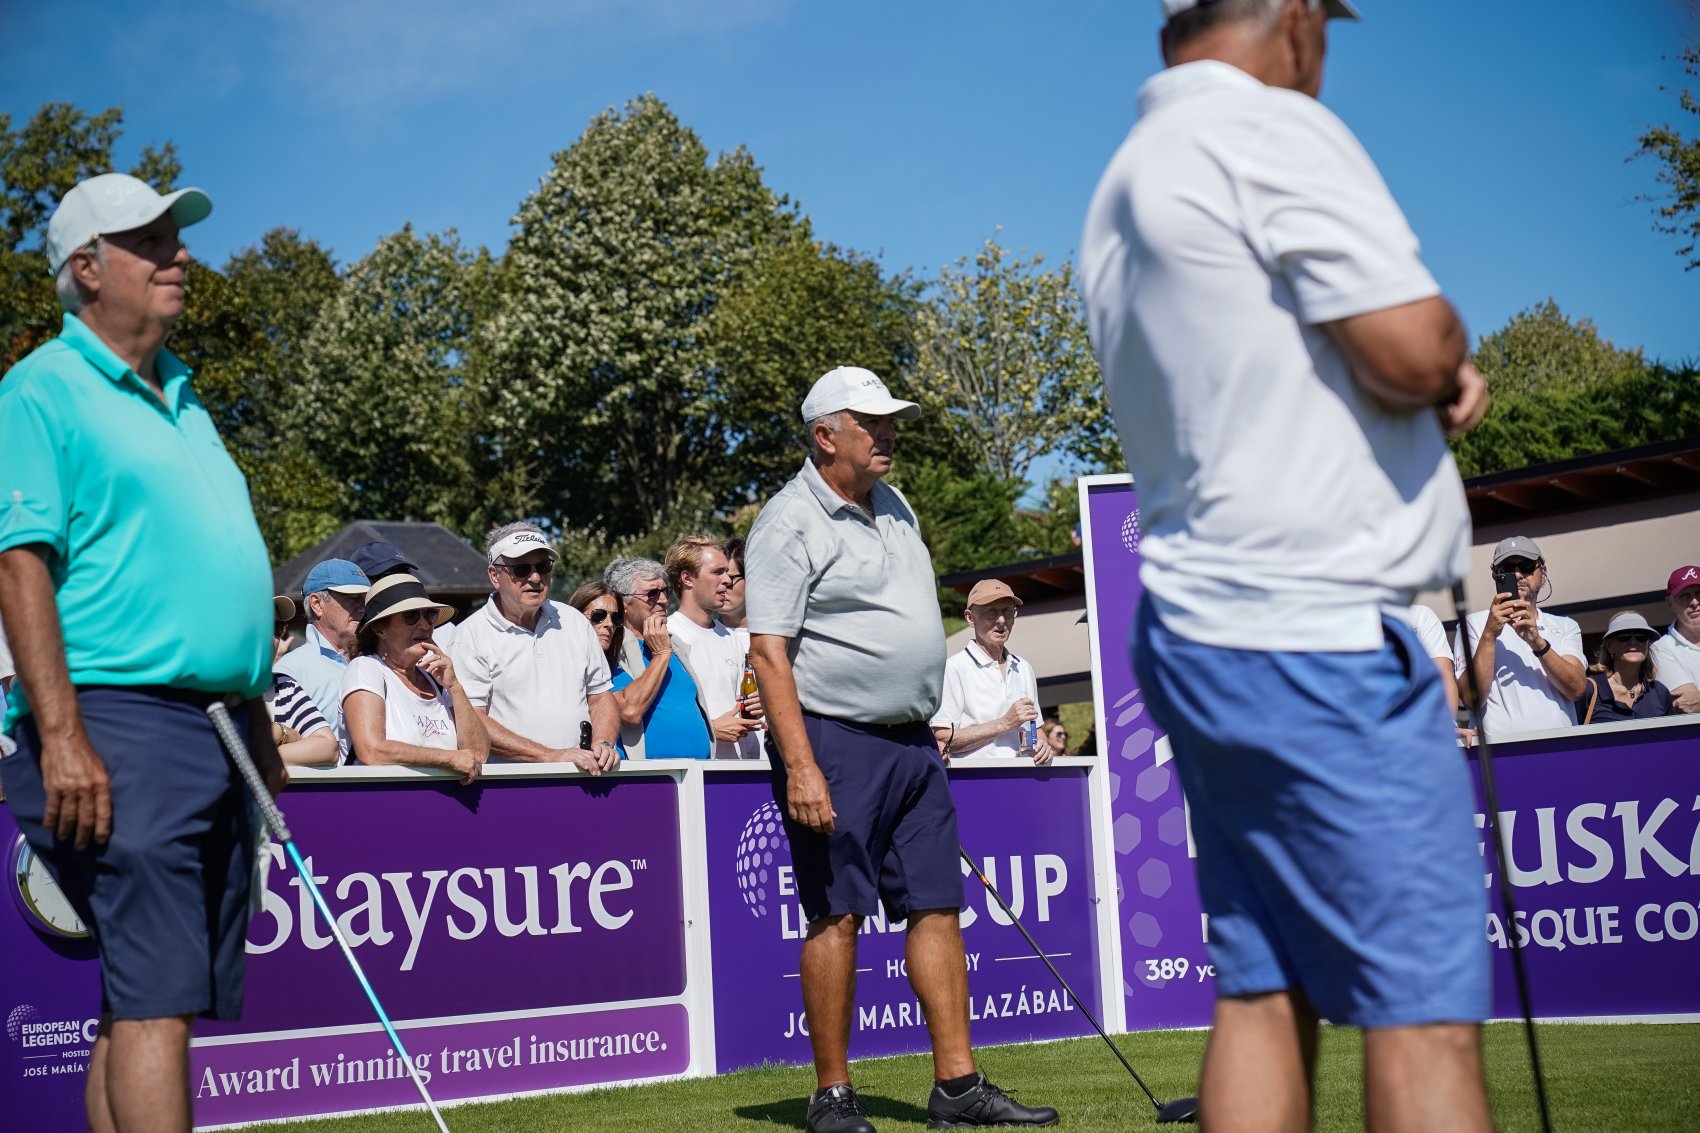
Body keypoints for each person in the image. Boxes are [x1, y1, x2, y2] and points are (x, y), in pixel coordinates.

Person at [1080, 3, 1495, 1130]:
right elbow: (1409, 346)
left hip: (1199, 622)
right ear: (1296, 15)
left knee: (1264, 989)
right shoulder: (1267, 128)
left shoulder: (1125, 176)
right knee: (1421, 1009)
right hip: (1315, 625)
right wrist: (1449, 355)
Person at [0, 172, 285, 1133]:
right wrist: (61, 734)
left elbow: (210, 576)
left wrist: (257, 723)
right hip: (117, 716)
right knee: (156, 996)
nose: (181, 254)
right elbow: (19, 565)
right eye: (152, 240)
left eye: (177, 236)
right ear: (87, 268)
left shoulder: (187, 399)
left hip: (213, 723)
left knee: (144, 999)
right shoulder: (42, 387)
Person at [746, 365, 1057, 1133]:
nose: (887, 433)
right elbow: (769, 652)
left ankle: (958, 1085)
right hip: (834, 738)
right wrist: (802, 765)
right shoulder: (788, 521)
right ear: (826, 436)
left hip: (914, 740)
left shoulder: (896, 502)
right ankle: (833, 1096)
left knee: (938, 904)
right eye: (871, 422)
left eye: (890, 420)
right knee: (837, 913)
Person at [449, 524, 619, 773]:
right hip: (513, 783)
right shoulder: (470, 636)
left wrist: (603, 743)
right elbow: (472, 720)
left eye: (543, 566)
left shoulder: (573, 621)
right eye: (521, 569)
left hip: (581, 776)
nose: (536, 578)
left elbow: (601, 696)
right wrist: (549, 756)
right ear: (494, 575)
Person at [342, 574, 488, 781]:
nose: (424, 625)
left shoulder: (437, 680)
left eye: (429, 615)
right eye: (411, 616)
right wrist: (448, 758)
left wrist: (455, 687)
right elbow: (372, 750)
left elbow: (479, 755)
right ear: (380, 628)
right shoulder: (366, 668)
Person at [1456, 537, 1588, 737]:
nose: (1517, 575)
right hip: (1501, 748)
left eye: (1526, 566)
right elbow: (1470, 699)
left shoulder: (1566, 626)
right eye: (1507, 569)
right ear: (1495, 575)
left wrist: (1538, 643)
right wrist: (1489, 635)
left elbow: (1576, 689)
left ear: (1543, 572)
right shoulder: (1472, 624)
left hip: (1560, 745)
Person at [932, 580, 1054, 765]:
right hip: (979, 778)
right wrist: (1004, 723)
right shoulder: (953, 669)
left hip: (1025, 776)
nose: (1001, 620)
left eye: (1008, 611)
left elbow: (1036, 729)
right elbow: (942, 740)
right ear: (970, 618)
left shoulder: (1023, 668)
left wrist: (1043, 746)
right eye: (991, 611)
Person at [666, 534, 763, 759]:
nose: (727, 580)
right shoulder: (667, 635)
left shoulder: (732, 637)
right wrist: (709, 730)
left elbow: (741, 704)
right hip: (694, 771)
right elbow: (660, 716)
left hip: (741, 768)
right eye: (718, 572)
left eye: (727, 572)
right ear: (687, 578)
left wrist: (759, 703)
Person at [604, 557, 712, 760]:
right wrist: (661, 655)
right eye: (652, 593)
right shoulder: (611, 649)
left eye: (665, 591)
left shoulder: (675, 645)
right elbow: (629, 711)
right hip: (650, 775)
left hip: (698, 772)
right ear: (623, 602)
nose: (663, 600)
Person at [275, 558, 371, 749]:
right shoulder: (289, 672)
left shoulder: (380, 659)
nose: (362, 608)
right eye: (352, 598)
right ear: (317, 603)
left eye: (365, 599)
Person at [268, 596, 338, 768]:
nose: (272, 639)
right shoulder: (211, 687)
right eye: (262, 627)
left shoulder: (284, 686)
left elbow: (328, 747)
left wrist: (279, 733)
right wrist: (287, 736)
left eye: (277, 629)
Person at [350, 539, 459, 649]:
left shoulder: (443, 630)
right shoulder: (351, 631)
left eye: (404, 571)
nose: (400, 579)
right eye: (386, 576)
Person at [1577, 612, 1677, 724]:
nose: (1633, 642)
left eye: (1641, 637)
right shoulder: (1590, 689)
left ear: (1647, 645)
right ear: (1610, 646)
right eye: (1624, 637)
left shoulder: (1660, 692)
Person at [1651, 565, 1700, 714]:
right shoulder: (1660, 650)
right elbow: (1689, 705)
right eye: (1685, 596)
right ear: (1670, 602)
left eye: (1699, 593)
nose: (1694, 602)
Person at [568, 581, 627, 676]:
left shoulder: (619, 670)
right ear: (576, 616)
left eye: (615, 618)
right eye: (599, 615)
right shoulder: (558, 662)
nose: (610, 624)